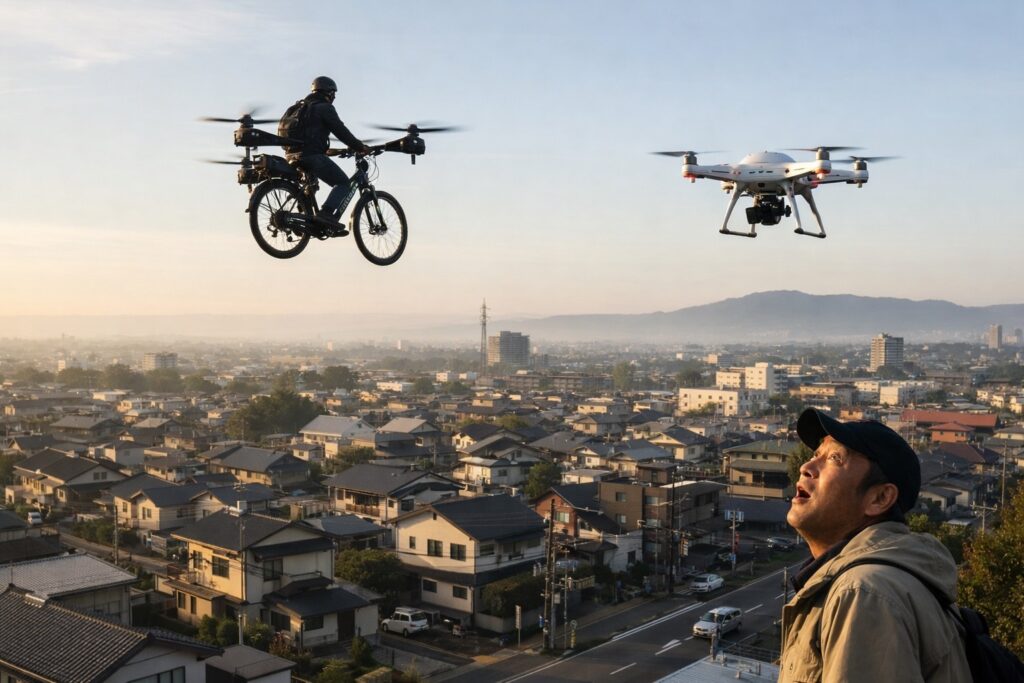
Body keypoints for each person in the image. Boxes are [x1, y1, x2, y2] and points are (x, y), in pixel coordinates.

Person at [777, 408, 970, 683]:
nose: (806, 468)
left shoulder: (863, 593)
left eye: (834, 458)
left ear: (879, 498)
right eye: (814, 456)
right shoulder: (878, 581)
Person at [287, 76, 371, 231]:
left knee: (311, 186)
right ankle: (325, 214)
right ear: (329, 92)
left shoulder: (300, 108)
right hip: (310, 156)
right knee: (343, 183)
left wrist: (334, 150)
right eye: (333, 93)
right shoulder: (324, 107)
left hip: (291, 155)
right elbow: (341, 131)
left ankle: (306, 218)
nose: (334, 97)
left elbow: (310, 137)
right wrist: (359, 146)